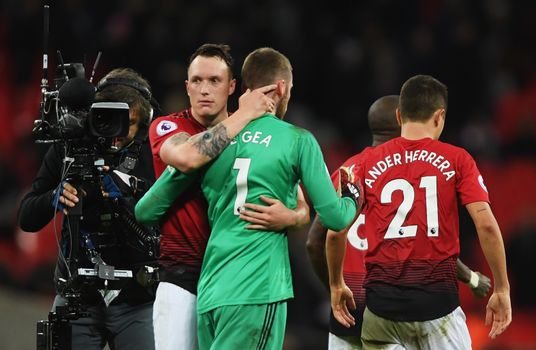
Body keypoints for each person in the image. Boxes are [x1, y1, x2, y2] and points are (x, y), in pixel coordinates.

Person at [140, 47, 360, 349]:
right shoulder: (297, 140)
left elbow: (146, 209)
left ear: (239, 88)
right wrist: (353, 198)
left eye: (214, 81)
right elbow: (335, 217)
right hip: (256, 286)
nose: (205, 90)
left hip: (211, 289)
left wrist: (296, 214)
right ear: (282, 88)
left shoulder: (210, 145)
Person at [326, 75, 512, 349]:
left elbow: (334, 232)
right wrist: (502, 288)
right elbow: (485, 225)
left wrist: (336, 285)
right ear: (440, 116)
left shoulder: (361, 163)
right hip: (438, 310)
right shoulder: (458, 159)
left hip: (381, 311)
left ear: (400, 116)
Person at [18, 68, 158, 350]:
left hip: (138, 298)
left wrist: (125, 190)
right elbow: (27, 217)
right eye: (109, 121)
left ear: (145, 122)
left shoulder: (155, 151)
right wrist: (55, 197)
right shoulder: (70, 149)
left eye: (127, 124)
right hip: (78, 296)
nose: (116, 135)